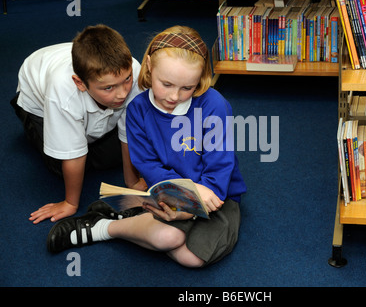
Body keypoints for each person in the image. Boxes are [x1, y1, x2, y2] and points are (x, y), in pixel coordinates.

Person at [46, 26, 247, 268]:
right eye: (167, 84)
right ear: (149, 66)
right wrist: (184, 195)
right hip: (171, 192)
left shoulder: (215, 105)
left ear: (200, 78)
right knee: (169, 237)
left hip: (215, 195)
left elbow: (220, 164)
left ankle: (135, 211)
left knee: (192, 259)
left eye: (187, 88)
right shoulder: (137, 109)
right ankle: (103, 228)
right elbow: (148, 164)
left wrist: (192, 205)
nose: (174, 96)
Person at [11, 24, 148, 224]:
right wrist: (70, 203)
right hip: (36, 102)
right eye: (108, 87)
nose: (122, 93)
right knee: (61, 165)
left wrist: (132, 181)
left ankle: (83, 132)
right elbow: (73, 157)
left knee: (119, 153)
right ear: (80, 83)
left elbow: (130, 130)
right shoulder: (62, 92)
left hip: (81, 84)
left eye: (126, 80)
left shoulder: (133, 70)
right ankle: (29, 121)